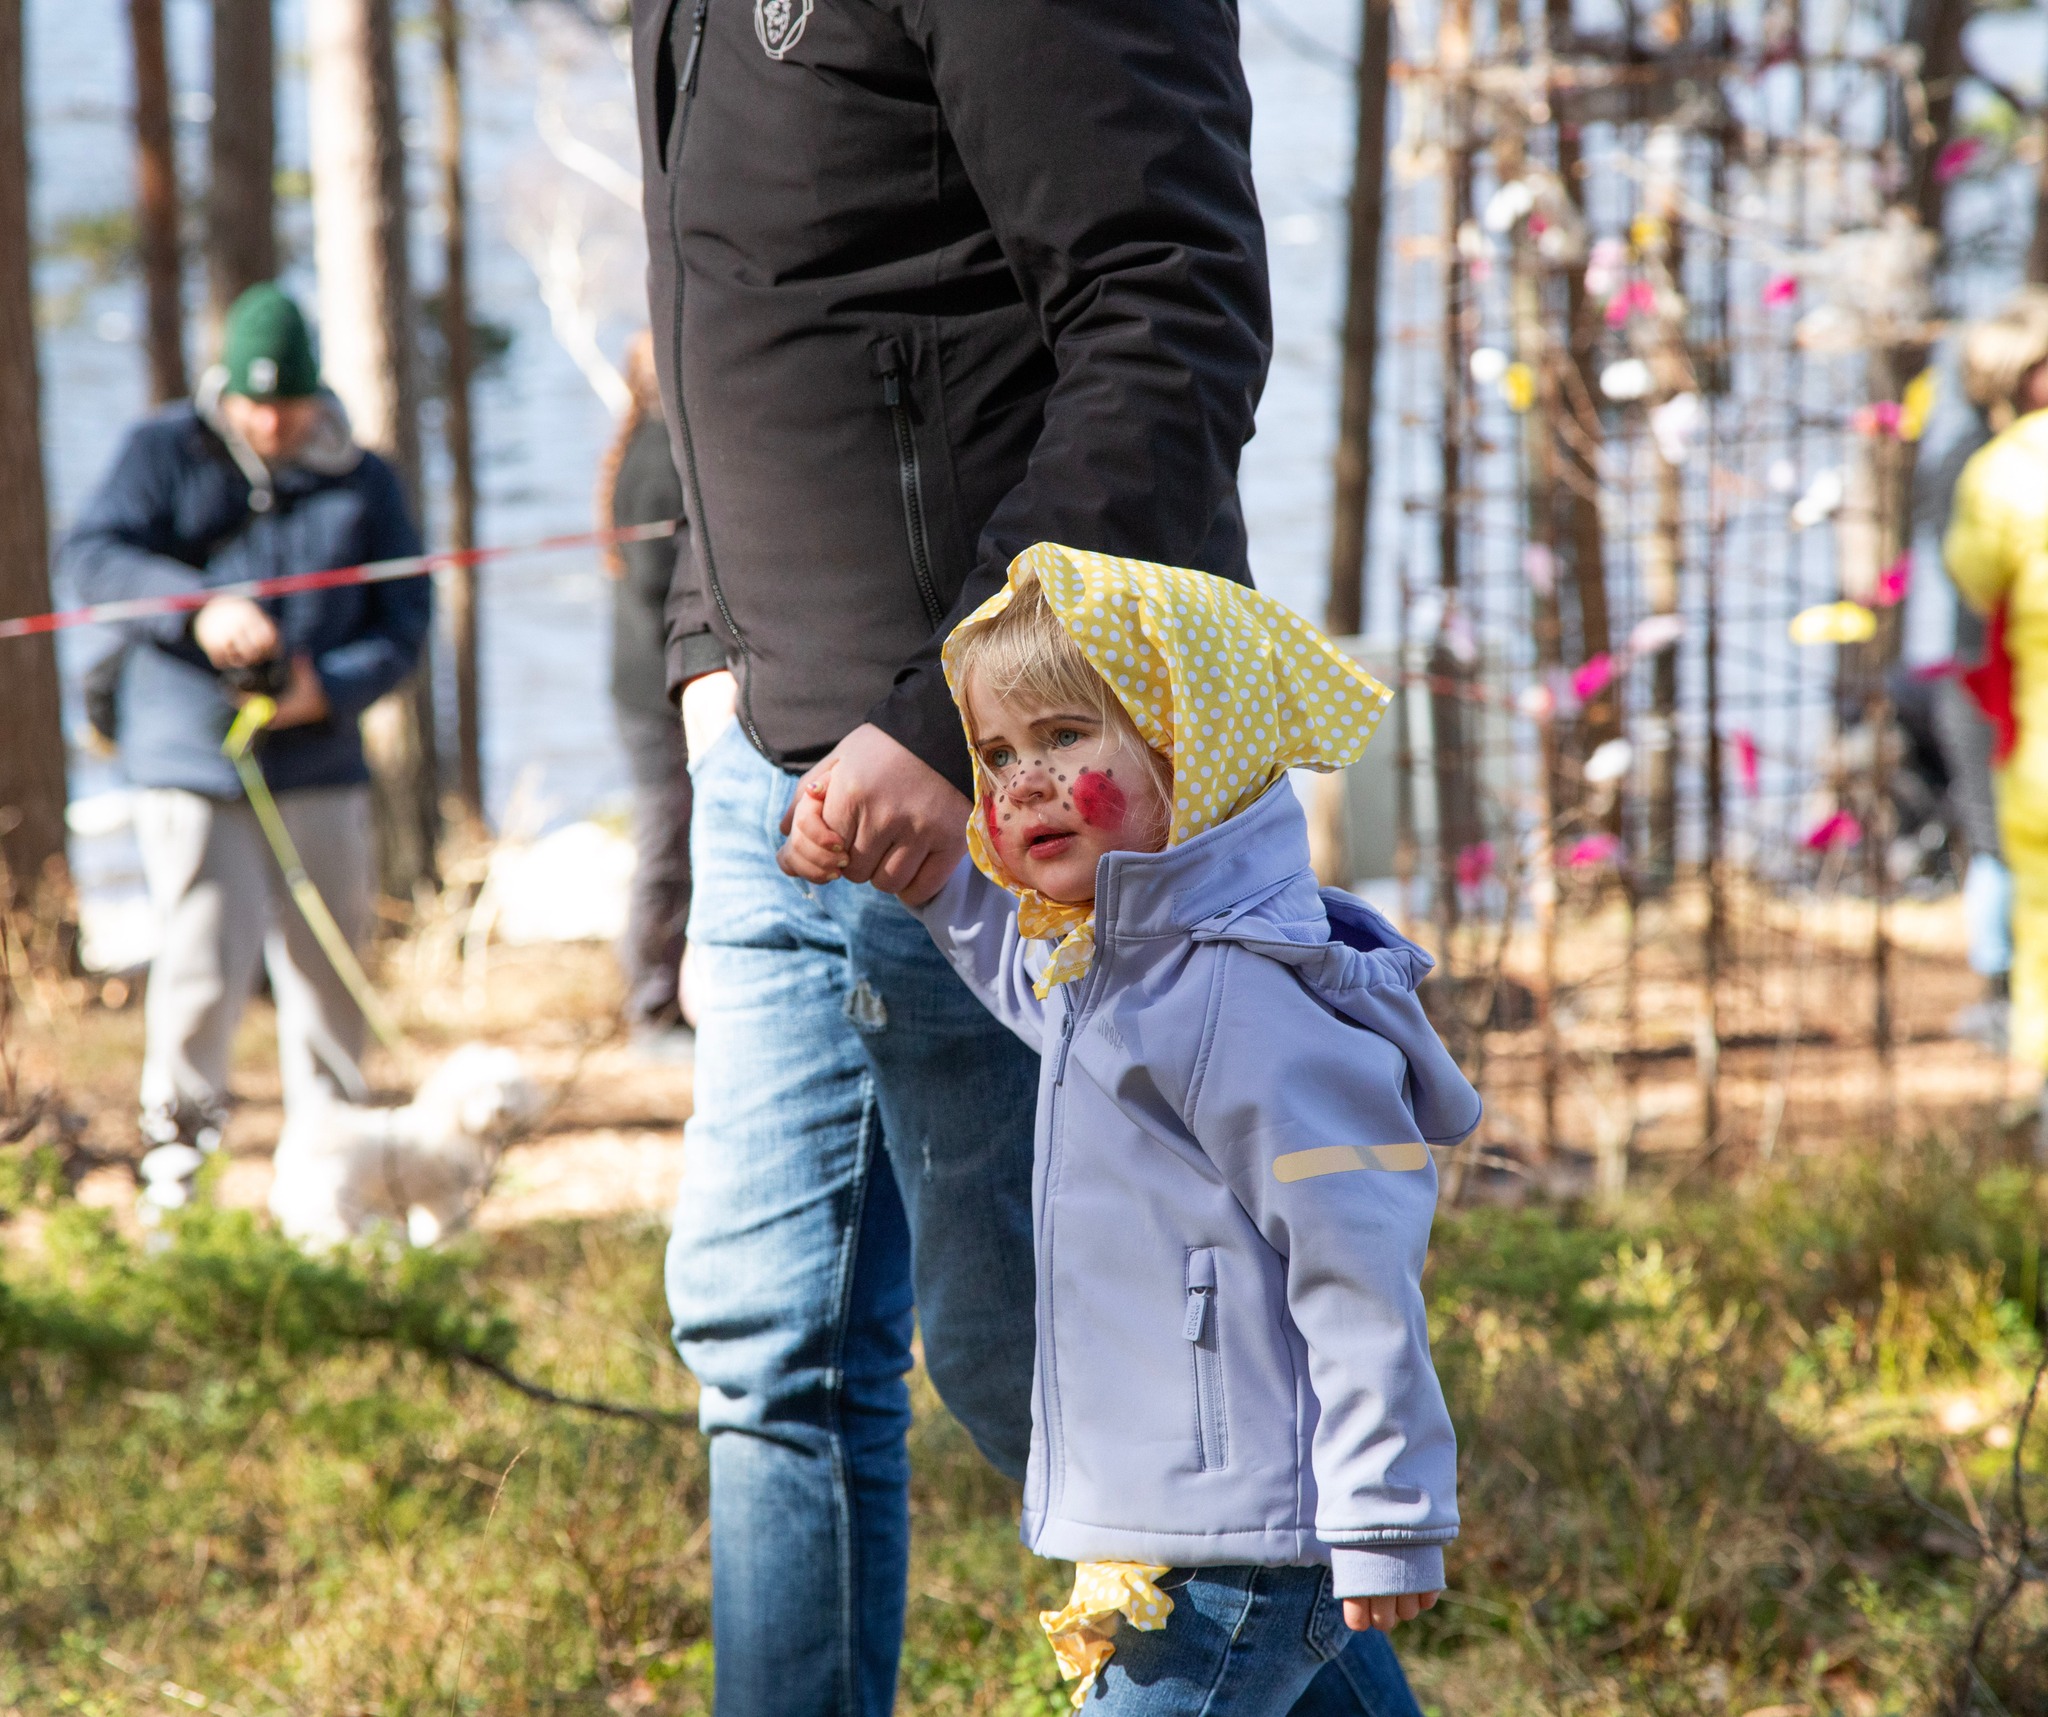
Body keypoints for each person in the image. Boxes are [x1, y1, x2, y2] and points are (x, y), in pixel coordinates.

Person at [633, 2, 1430, 1711]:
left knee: (1115, 1413)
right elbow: (753, 317)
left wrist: (937, 726)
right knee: (769, 1352)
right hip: (777, 775)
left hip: (1020, 799)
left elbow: (1169, 316)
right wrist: (713, 653)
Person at [785, 545, 1477, 1712]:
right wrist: (914, 876)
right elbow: (1015, 973)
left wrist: (1387, 1511)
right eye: (997, 755)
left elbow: (1354, 1260)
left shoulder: (1247, 997)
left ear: (1186, 740)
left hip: (1238, 1535)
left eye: (1064, 736)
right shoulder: (1112, 962)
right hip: (1181, 1505)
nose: (1022, 783)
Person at [61, 281, 431, 1195]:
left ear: (318, 396)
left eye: (289, 406)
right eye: (253, 406)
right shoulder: (161, 451)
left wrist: (325, 687)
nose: (270, 424)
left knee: (328, 965)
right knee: (199, 964)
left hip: (317, 757)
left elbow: (406, 620)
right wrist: (199, 611)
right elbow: (91, 558)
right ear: (224, 390)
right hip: (189, 756)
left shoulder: (363, 478)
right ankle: (179, 1160)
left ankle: (333, 1166)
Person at [1944, 288, 2048, 1152]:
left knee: (2019, 873)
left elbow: (1972, 578)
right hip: (2010, 705)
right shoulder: (1998, 464)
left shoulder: (1997, 466)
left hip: (2027, 724)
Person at [597, 332, 692, 1056]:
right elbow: (659, 581)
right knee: (665, 844)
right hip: (654, 692)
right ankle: (652, 1002)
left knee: (674, 839)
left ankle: (670, 993)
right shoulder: (659, 455)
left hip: (650, 684)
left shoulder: (655, 446)